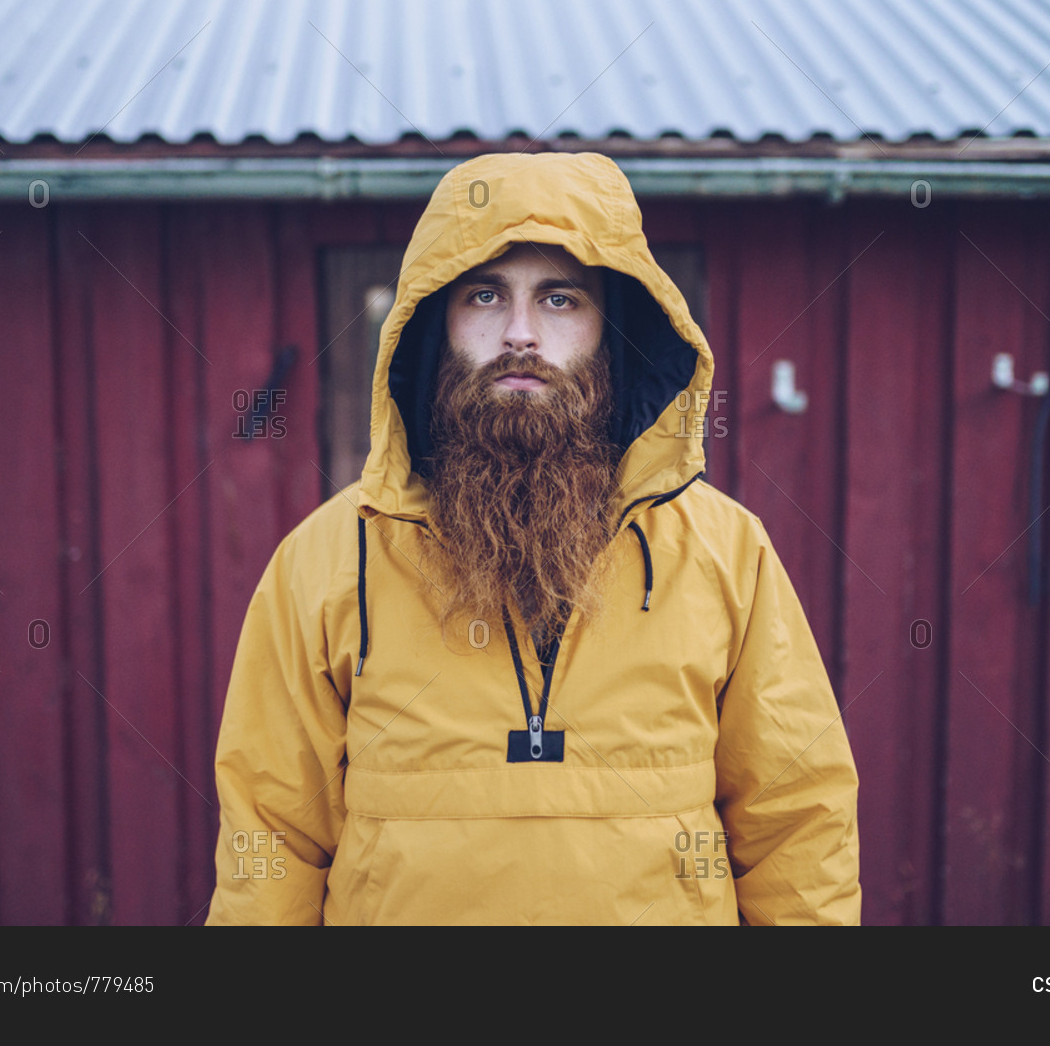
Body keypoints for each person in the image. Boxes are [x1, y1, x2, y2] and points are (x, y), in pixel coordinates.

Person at [205, 151, 860, 925]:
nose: (520, 334)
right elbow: (271, 839)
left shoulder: (726, 553)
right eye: (485, 295)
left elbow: (797, 825)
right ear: (431, 326)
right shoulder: (325, 561)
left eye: (560, 299)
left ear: (613, 331)